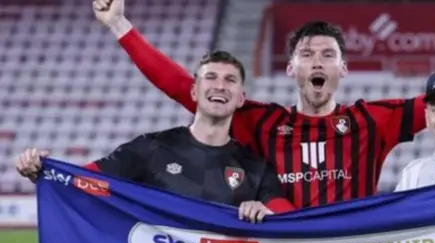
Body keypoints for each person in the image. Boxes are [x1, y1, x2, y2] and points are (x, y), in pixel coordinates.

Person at [91, 0, 435, 208]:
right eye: (307, 54)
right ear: (291, 68)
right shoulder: (261, 121)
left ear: (342, 69)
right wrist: (120, 26)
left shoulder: (373, 121)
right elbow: (182, 86)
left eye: (327, 55)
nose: (317, 61)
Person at [15, 51, 295, 223]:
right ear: (194, 92)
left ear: (241, 98)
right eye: (210, 77)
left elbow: (287, 218)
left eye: (230, 80)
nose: (219, 86)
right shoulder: (151, 148)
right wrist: (44, 170)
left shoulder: (255, 167)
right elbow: (85, 181)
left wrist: (268, 214)